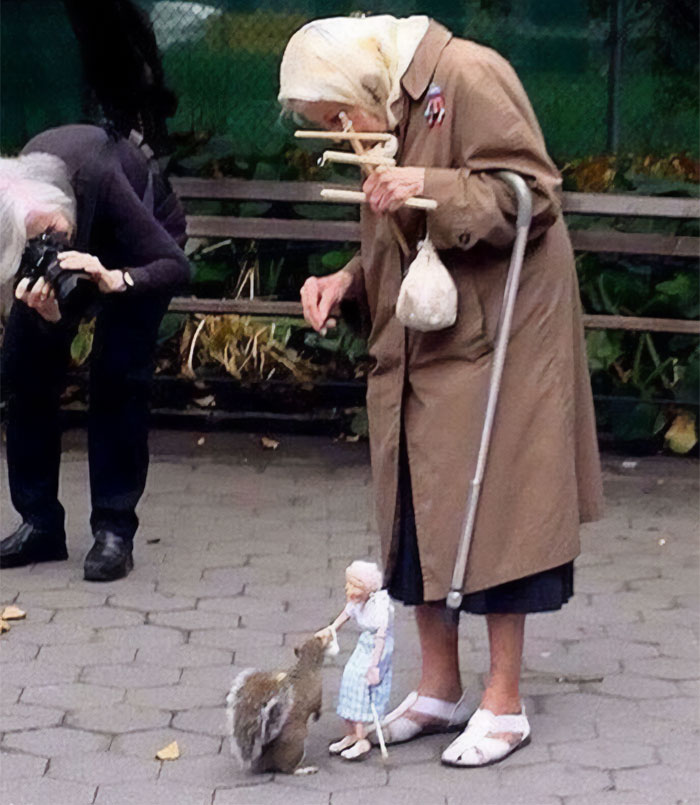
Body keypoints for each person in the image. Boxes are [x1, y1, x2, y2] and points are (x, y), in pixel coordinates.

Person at [279, 15, 603, 767]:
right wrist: (348, 281)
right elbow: (401, 243)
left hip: (503, 336)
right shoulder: (387, 110)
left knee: (500, 510)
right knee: (416, 506)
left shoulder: (468, 75)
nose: (341, 129)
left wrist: (430, 182)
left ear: (365, 81)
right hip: (427, 335)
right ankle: (437, 687)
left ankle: (505, 702)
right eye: (326, 125)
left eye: (337, 114)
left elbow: (533, 195)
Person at [0, 124, 190, 581]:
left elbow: (175, 266)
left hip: (141, 251)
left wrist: (116, 279)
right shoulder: (11, 201)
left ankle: (114, 530)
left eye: (52, 233)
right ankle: (40, 523)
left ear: (60, 205)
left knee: (118, 374)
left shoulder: (100, 178)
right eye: (34, 245)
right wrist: (49, 319)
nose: (51, 248)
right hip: (60, 242)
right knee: (22, 368)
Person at [316, 560, 394, 761]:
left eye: (355, 586)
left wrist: (374, 666)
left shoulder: (379, 608)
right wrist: (332, 629)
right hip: (365, 645)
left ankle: (362, 739)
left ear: (368, 588)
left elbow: (381, 639)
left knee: (362, 686)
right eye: (348, 584)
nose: (348, 589)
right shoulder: (357, 602)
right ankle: (350, 733)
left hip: (378, 649)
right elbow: (346, 615)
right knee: (349, 679)